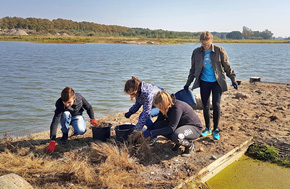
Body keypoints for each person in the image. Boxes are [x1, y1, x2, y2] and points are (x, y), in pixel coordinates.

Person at [184, 31, 238, 140]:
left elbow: (227, 67)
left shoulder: (219, 50)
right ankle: (208, 129)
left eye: (207, 44)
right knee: (206, 106)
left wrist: (233, 79)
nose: (205, 46)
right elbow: (193, 70)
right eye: (203, 44)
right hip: (204, 82)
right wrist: (188, 83)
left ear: (211, 41)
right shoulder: (196, 52)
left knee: (216, 105)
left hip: (217, 82)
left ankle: (216, 129)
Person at [142, 91, 202, 157]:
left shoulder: (177, 107)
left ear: (163, 104)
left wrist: (151, 133)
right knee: (157, 125)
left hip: (194, 128)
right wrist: (149, 131)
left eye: (160, 107)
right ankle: (177, 142)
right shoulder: (165, 106)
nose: (159, 109)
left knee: (177, 136)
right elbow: (158, 121)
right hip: (179, 126)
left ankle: (189, 145)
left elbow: (171, 128)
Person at [45, 86, 98, 153]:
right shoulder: (59, 104)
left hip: (77, 116)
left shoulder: (79, 98)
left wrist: (92, 118)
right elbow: (55, 122)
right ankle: (65, 134)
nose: (67, 104)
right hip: (65, 118)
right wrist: (52, 140)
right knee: (65, 114)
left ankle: (75, 131)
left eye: (69, 102)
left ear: (74, 98)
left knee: (81, 131)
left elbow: (89, 107)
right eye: (65, 102)